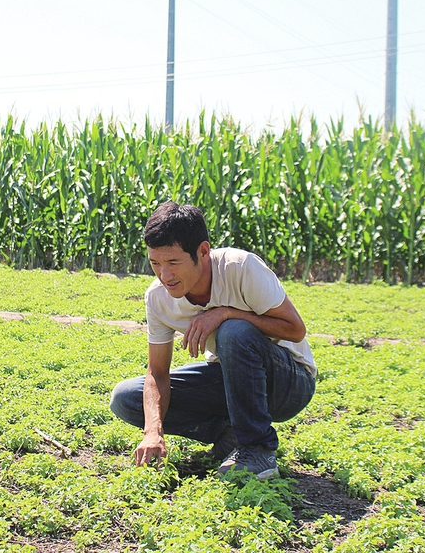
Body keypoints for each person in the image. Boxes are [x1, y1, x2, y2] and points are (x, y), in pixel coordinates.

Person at [110, 201, 317, 480]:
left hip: (289, 382)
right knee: (126, 399)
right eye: (155, 263)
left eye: (173, 262)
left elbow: (295, 330)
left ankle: (256, 447)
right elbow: (156, 373)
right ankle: (230, 434)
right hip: (231, 380)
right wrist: (153, 432)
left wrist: (226, 313)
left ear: (203, 251)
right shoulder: (157, 297)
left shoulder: (240, 267)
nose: (164, 275)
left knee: (234, 331)